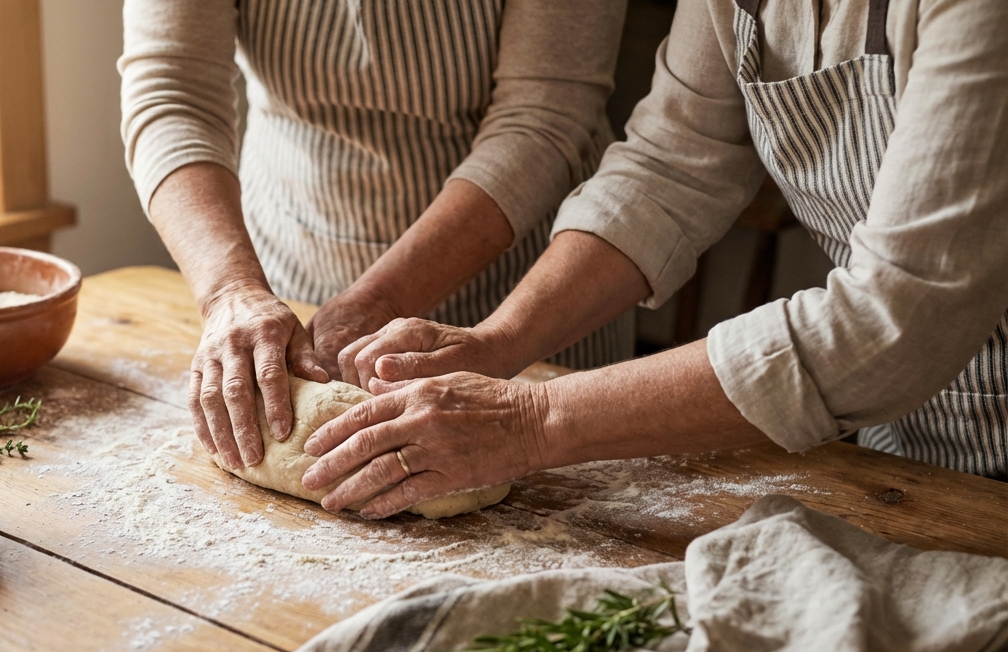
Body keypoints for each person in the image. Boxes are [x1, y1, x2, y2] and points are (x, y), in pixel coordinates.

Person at [302, 0, 1008, 518]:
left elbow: (900, 316)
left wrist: (529, 420)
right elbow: (672, 166)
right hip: (907, 448)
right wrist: (497, 342)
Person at [119, 0, 632, 473]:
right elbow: (172, 93)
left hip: (529, 289)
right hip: (289, 265)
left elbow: (541, 118)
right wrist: (231, 290)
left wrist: (386, 294)